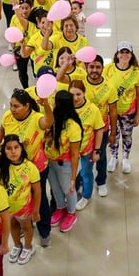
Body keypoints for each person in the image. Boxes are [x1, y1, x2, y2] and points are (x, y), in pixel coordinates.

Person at [0, 89, 54, 248]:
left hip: (36, 168)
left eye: (16, 106)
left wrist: (45, 105)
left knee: (39, 198)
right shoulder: (8, 117)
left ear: (27, 106)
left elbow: (48, 122)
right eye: (11, 105)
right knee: (18, 197)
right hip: (13, 168)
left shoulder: (36, 119)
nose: (12, 109)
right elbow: (2, 129)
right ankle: (23, 223)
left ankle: (44, 231)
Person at [0, 135, 40, 265]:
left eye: (16, 147)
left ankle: (28, 247)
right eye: (8, 148)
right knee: (12, 226)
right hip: (7, 208)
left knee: (26, 227)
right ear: (3, 151)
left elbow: (37, 190)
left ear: (22, 148)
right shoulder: (1, 165)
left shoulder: (30, 167)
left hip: (24, 207)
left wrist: (36, 210)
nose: (13, 151)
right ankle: (17, 244)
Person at [104, 41, 139, 174]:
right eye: (122, 52)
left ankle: (126, 157)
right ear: (117, 54)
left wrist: (138, 114)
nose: (124, 55)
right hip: (111, 112)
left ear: (131, 55)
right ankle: (114, 157)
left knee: (127, 135)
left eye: (127, 52)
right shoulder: (108, 69)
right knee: (113, 135)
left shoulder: (137, 72)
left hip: (129, 111)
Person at [46, 90, 83, 233]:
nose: (53, 104)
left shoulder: (73, 126)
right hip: (50, 161)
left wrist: (73, 177)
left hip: (65, 165)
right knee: (55, 188)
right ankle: (60, 209)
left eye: (56, 102)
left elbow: (75, 154)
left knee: (69, 189)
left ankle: (71, 213)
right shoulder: (52, 119)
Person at [83, 55, 118, 197]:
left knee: (101, 156)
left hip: (102, 130)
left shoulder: (109, 87)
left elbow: (113, 111)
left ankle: (101, 181)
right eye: (91, 66)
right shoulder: (80, 84)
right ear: (86, 67)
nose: (94, 70)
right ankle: (82, 181)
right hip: (83, 131)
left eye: (98, 67)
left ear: (103, 68)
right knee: (83, 158)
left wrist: (113, 133)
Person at [69, 80, 104, 211]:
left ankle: (86, 196)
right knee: (72, 174)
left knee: (86, 172)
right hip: (70, 151)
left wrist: (97, 151)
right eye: (72, 95)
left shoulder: (92, 109)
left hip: (86, 149)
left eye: (78, 94)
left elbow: (99, 130)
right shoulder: (66, 107)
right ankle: (75, 189)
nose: (75, 98)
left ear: (84, 93)